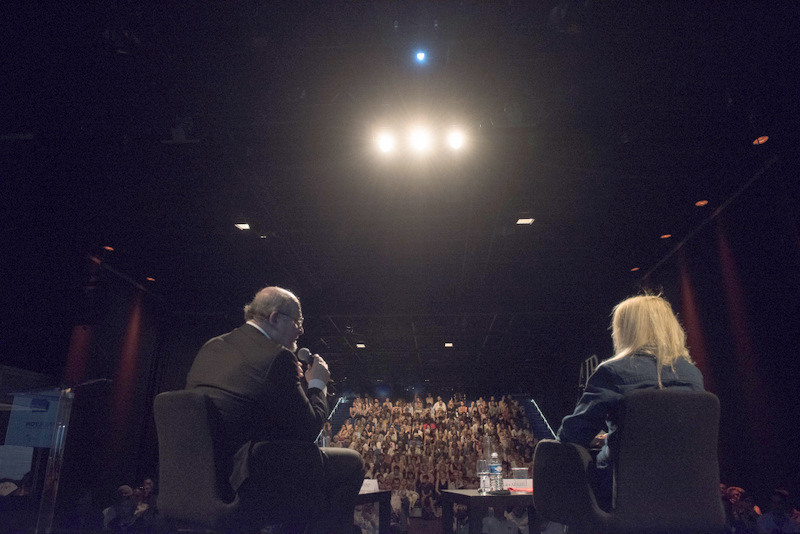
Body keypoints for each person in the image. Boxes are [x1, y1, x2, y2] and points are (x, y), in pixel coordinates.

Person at [185, 286, 364, 534]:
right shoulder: (277, 357)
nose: (301, 329)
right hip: (247, 480)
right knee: (352, 463)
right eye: (298, 321)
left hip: (201, 480)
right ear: (274, 318)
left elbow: (249, 412)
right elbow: (309, 430)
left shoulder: (211, 346)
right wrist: (317, 384)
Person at [556, 293, 705, 511]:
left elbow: (571, 435)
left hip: (626, 493)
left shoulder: (613, 372)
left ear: (626, 331)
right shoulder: (693, 374)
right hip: (688, 491)